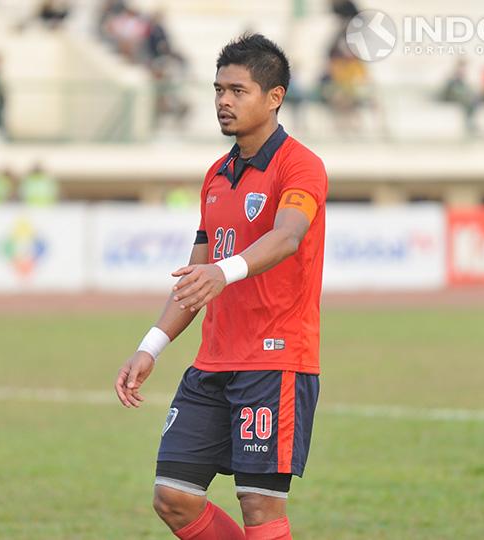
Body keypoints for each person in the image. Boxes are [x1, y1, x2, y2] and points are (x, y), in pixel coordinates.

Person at [114, 34, 327, 540]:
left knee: (259, 508)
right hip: (212, 364)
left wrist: (223, 271)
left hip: (273, 361)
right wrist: (151, 345)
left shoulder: (300, 165)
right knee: (174, 498)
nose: (223, 102)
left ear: (274, 97)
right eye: (217, 90)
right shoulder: (217, 175)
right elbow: (195, 276)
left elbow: (288, 236)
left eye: (237, 90)